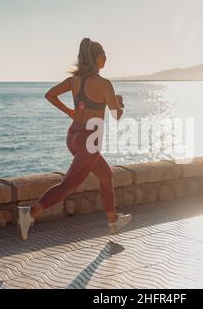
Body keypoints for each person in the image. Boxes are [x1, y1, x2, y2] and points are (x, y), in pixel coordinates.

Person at [17, 38, 132, 240]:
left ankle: (113, 221)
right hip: (90, 140)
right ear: (96, 58)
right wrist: (120, 103)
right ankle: (30, 213)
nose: (106, 57)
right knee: (69, 185)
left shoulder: (74, 80)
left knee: (106, 176)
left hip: (73, 136)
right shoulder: (104, 83)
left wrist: (70, 111)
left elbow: (50, 95)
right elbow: (116, 115)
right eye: (103, 54)